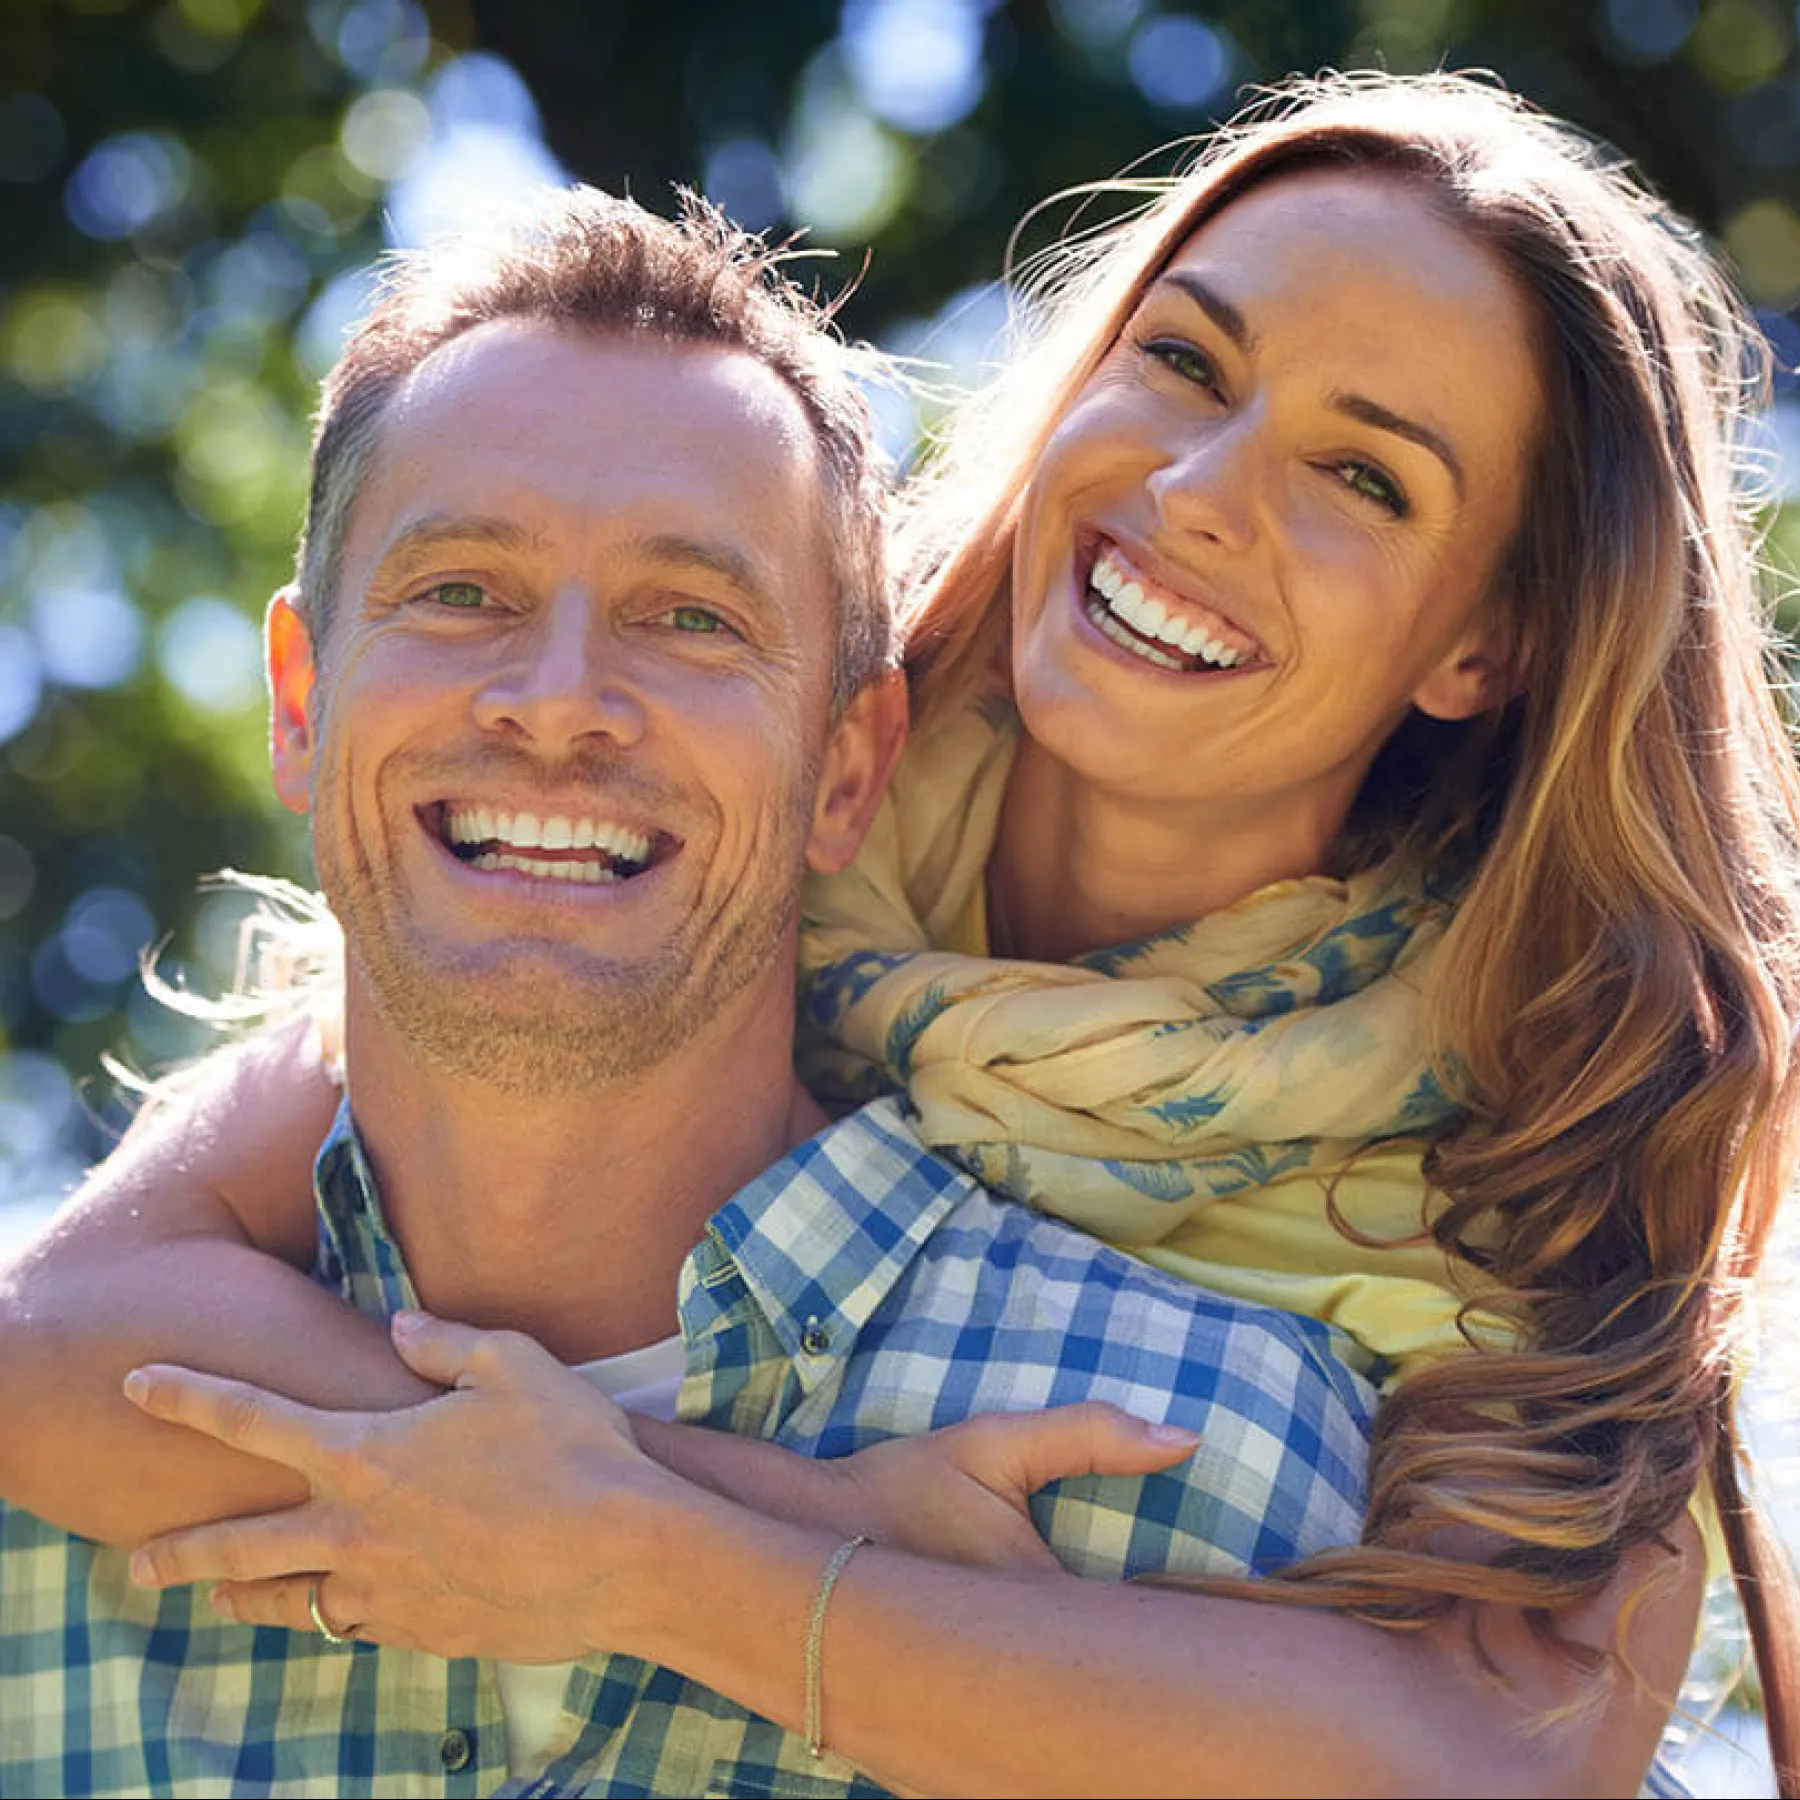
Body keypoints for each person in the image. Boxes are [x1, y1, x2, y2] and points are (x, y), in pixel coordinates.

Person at [3, 66, 1794, 1796]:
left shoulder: (1532, 1133)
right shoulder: (704, 835)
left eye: (1366, 477)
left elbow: (1497, 1763)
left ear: (1488, 641)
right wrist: (766, 1508)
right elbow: (57, 1331)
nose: (1199, 492)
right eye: (1184, 361)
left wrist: (672, 1564)